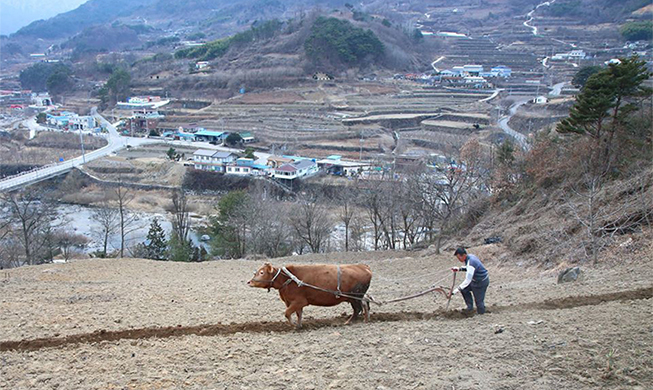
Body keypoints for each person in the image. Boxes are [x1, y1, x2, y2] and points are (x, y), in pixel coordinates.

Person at [450, 247, 489, 314]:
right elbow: (468, 268)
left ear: (463, 255)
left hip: (481, 282)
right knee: (464, 289)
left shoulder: (472, 262)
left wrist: (457, 290)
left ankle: (481, 314)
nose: (459, 259)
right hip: (475, 281)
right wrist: (459, 269)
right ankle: (470, 307)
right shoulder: (469, 257)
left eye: (459, 258)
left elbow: (468, 280)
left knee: (479, 302)